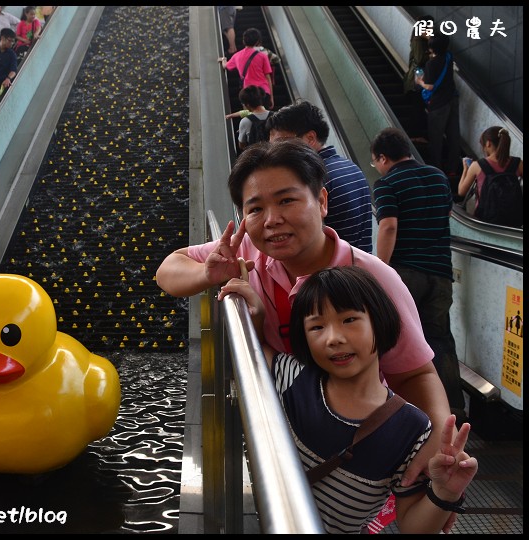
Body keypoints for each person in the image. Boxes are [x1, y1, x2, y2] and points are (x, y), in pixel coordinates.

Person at [156, 139, 453, 489]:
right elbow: (168, 271)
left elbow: (415, 374)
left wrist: (438, 451)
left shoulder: (372, 279)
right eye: (255, 209)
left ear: (322, 201)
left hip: (352, 449)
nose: (272, 220)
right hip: (280, 437)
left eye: (287, 200)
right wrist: (208, 274)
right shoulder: (248, 251)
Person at [218, 265, 477, 534]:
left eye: (349, 320)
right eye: (317, 326)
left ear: (379, 321)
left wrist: (444, 493)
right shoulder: (292, 375)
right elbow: (250, 348)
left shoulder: (411, 428)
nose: (334, 338)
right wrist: (255, 315)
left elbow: (412, 526)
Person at [370, 127, 466, 419]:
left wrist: (380, 271)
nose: (377, 167)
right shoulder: (438, 176)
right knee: (440, 338)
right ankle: (453, 410)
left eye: (376, 162)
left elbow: (388, 226)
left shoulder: (387, 183)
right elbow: (446, 214)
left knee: (400, 339)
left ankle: (412, 408)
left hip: (405, 273)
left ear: (383, 158)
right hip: (440, 272)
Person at [267, 100, 373, 253]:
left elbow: (309, 245)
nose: (276, 152)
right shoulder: (352, 167)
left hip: (334, 273)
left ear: (310, 138)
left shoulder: (315, 178)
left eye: (282, 143)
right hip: (360, 268)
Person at [415, 34, 461, 190]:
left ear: (431, 48)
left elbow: (429, 86)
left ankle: (437, 170)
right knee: (454, 134)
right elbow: (441, 44)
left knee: (436, 137)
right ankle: (453, 169)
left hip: (439, 104)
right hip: (453, 99)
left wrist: (419, 81)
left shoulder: (431, 64)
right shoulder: (448, 56)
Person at [458, 126, 524, 217]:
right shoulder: (518, 164)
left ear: (488, 143)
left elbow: (461, 192)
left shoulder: (477, 165)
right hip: (512, 221)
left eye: (483, 145)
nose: (483, 148)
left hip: (485, 221)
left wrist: (465, 169)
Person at [219, 28, 274, 106]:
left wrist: (223, 60)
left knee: (251, 116)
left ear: (243, 41)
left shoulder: (237, 56)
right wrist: (271, 97)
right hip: (263, 92)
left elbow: (226, 66)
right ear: (258, 41)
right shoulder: (263, 56)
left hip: (248, 93)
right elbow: (268, 77)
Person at [403, 15, 433, 143]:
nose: (431, 28)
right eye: (429, 26)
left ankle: (415, 134)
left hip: (419, 78)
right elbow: (420, 59)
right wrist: (432, 55)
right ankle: (415, 135)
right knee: (417, 108)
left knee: (418, 107)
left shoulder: (420, 40)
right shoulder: (418, 40)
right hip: (416, 80)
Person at [234, 85, 271, 151]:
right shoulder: (276, 116)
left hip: (257, 157)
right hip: (276, 155)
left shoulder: (245, 121)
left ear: (247, 105)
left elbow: (242, 145)